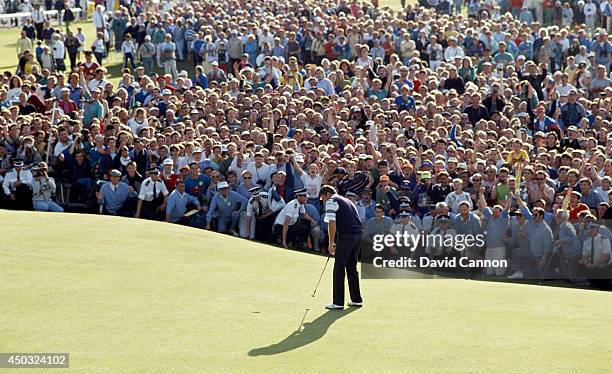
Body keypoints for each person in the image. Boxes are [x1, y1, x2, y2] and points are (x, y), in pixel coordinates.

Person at [319, 185, 364, 310]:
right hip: (358, 235)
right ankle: (356, 299)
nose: (323, 201)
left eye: (323, 197)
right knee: (351, 267)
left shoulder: (331, 201)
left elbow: (332, 223)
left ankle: (338, 302)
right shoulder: (347, 200)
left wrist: (331, 243)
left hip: (347, 236)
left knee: (339, 268)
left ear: (327, 194)